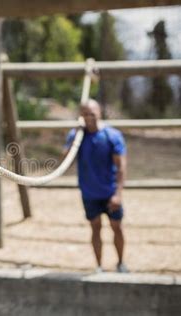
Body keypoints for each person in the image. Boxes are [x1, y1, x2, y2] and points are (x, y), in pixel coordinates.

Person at [63, 99, 128, 274]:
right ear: (80, 116)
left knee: (117, 227)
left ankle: (121, 263)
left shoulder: (112, 136)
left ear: (99, 113)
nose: (89, 117)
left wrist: (118, 194)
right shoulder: (76, 136)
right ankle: (99, 266)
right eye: (85, 114)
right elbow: (66, 161)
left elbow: (121, 167)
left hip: (110, 192)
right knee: (95, 227)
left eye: (92, 113)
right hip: (89, 193)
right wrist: (75, 136)